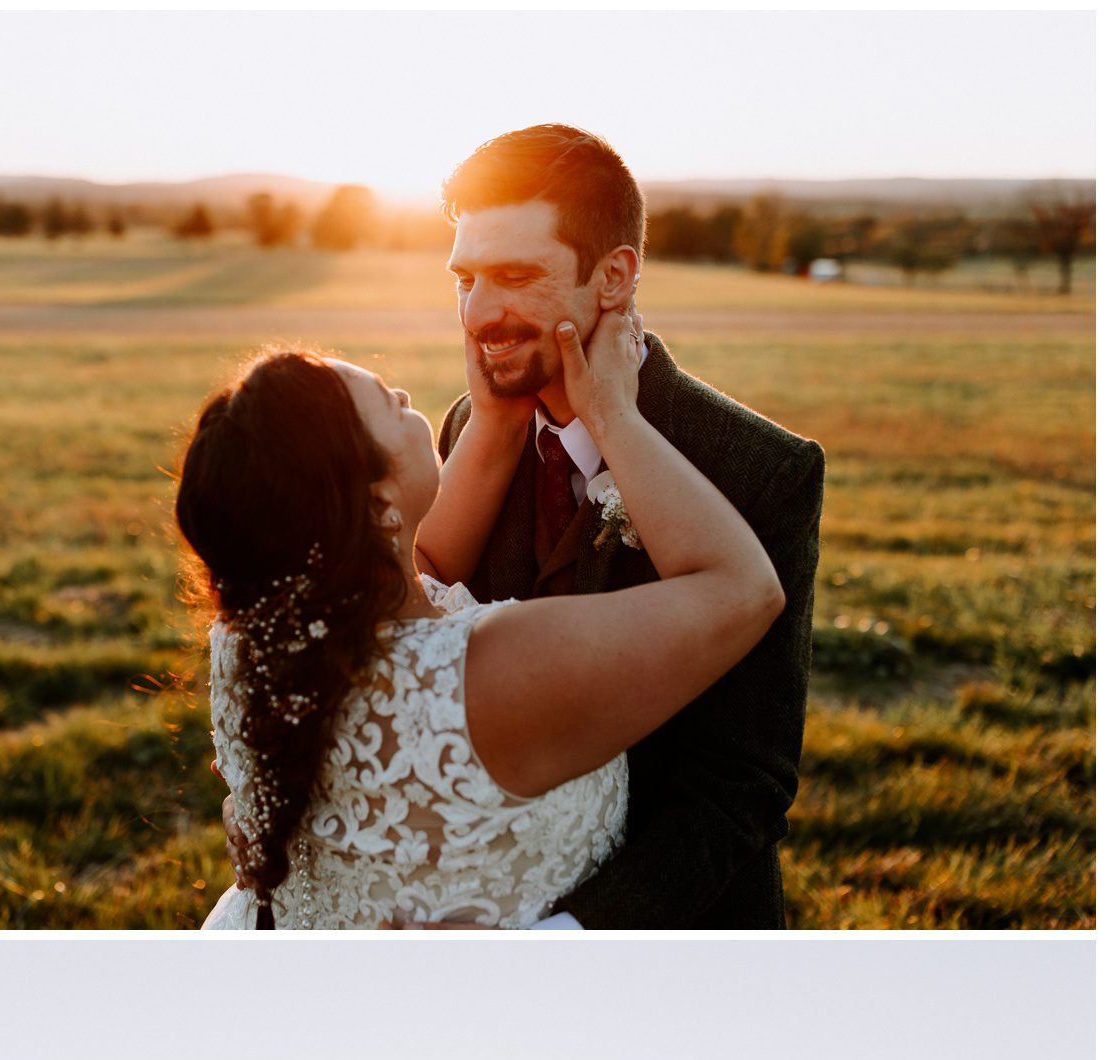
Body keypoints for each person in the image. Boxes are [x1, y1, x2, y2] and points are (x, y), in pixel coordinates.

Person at [175, 310, 783, 930]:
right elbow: (743, 590)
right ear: (379, 504)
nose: (405, 395)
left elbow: (428, 569)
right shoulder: (489, 668)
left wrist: (497, 418)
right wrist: (612, 414)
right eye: (387, 402)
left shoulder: (256, 632)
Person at [433, 123, 826, 928]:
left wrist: (573, 936)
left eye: (516, 276)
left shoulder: (761, 469)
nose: (480, 313)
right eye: (466, 279)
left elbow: (740, 784)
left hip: (679, 941)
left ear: (614, 276)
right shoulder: (467, 429)